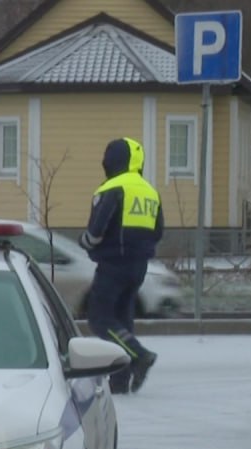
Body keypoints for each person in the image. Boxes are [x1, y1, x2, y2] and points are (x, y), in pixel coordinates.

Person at [80, 137, 164, 393]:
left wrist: (84, 242)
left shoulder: (111, 189)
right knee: (122, 321)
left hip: (112, 263)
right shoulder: (150, 191)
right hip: (138, 266)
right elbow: (158, 231)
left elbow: (95, 233)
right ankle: (119, 380)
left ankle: (139, 356)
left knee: (100, 319)